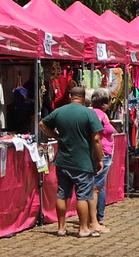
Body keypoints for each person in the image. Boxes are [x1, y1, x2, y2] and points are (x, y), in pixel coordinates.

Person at [42, 83, 105, 235]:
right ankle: (83, 228)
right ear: (84, 99)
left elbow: (42, 124)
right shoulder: (89, 114)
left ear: (70, 97)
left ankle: (61, 227)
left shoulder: (59, 111)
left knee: (62, 194)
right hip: (82, 161)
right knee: (83, 195)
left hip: (63, 160)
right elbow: (96, 138)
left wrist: (56, 136)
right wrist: (100, 158)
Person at [88, 88, 118, 232]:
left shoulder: (99, 114)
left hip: (104, 153)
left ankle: (98, 217)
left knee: (99, 187)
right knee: (96, 188)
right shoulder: (97, 114)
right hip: (102, 154)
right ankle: (94, 221)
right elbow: (96, 136)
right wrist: (100, 156)